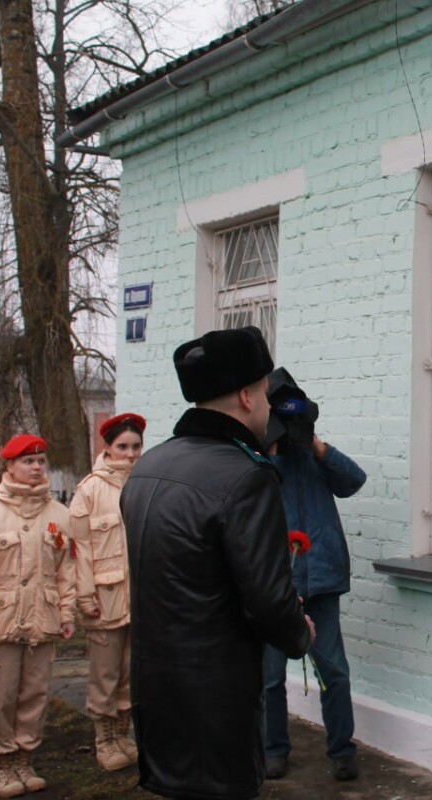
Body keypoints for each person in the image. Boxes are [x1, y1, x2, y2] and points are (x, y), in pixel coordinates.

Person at [121, 327, 315, 800]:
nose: (270, 407)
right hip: (215, 696)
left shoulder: (149, 466)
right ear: (248, 396)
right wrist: (300, 632)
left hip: (155, 686)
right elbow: (268, 599)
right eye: (268, 394)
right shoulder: (245, 475)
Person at [261, 369, 366, 782]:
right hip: (274, 584)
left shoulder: (313, 454)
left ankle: (342, 751)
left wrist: (316, 444)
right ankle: (274, 750)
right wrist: (267, 449)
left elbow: (354, 481)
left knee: (333, 672)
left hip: (320, 582)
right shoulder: (259, 459)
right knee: (270, 678)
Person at [0, 434, 76, 799]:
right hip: (0, 621)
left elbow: (67, 571)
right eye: (27, 462)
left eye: (40, 462)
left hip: (42, 618)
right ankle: (2, 762)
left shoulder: (60, 515)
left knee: (35, 693)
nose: (36, 468)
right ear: (9, 466)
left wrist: (66, 613)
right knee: (1, 697)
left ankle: (25, 759)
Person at [69, 412, 145, 773]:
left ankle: (123, 732)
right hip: (105, 596)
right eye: (123, 447)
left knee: (132, 671)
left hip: (141, 598)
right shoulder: (90, 490)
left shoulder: (146, 484)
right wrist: (85, 597)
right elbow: (79, 550)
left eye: (136, 447)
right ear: (108, 448)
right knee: (106, 673)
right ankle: (104, 737)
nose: (130, 455)